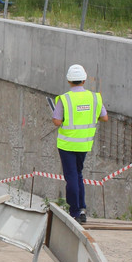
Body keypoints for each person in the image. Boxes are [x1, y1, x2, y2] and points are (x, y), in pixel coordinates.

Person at [52, 64, 108, 224]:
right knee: (78, 175)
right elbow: (104, 117)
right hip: (84, 144)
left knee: (71, 177)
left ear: (69, 81)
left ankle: (75, 211)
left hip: (67, 145)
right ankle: (82, 209)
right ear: (84, 80)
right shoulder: (95, 97)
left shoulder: (65, 98)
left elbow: (57, 121)